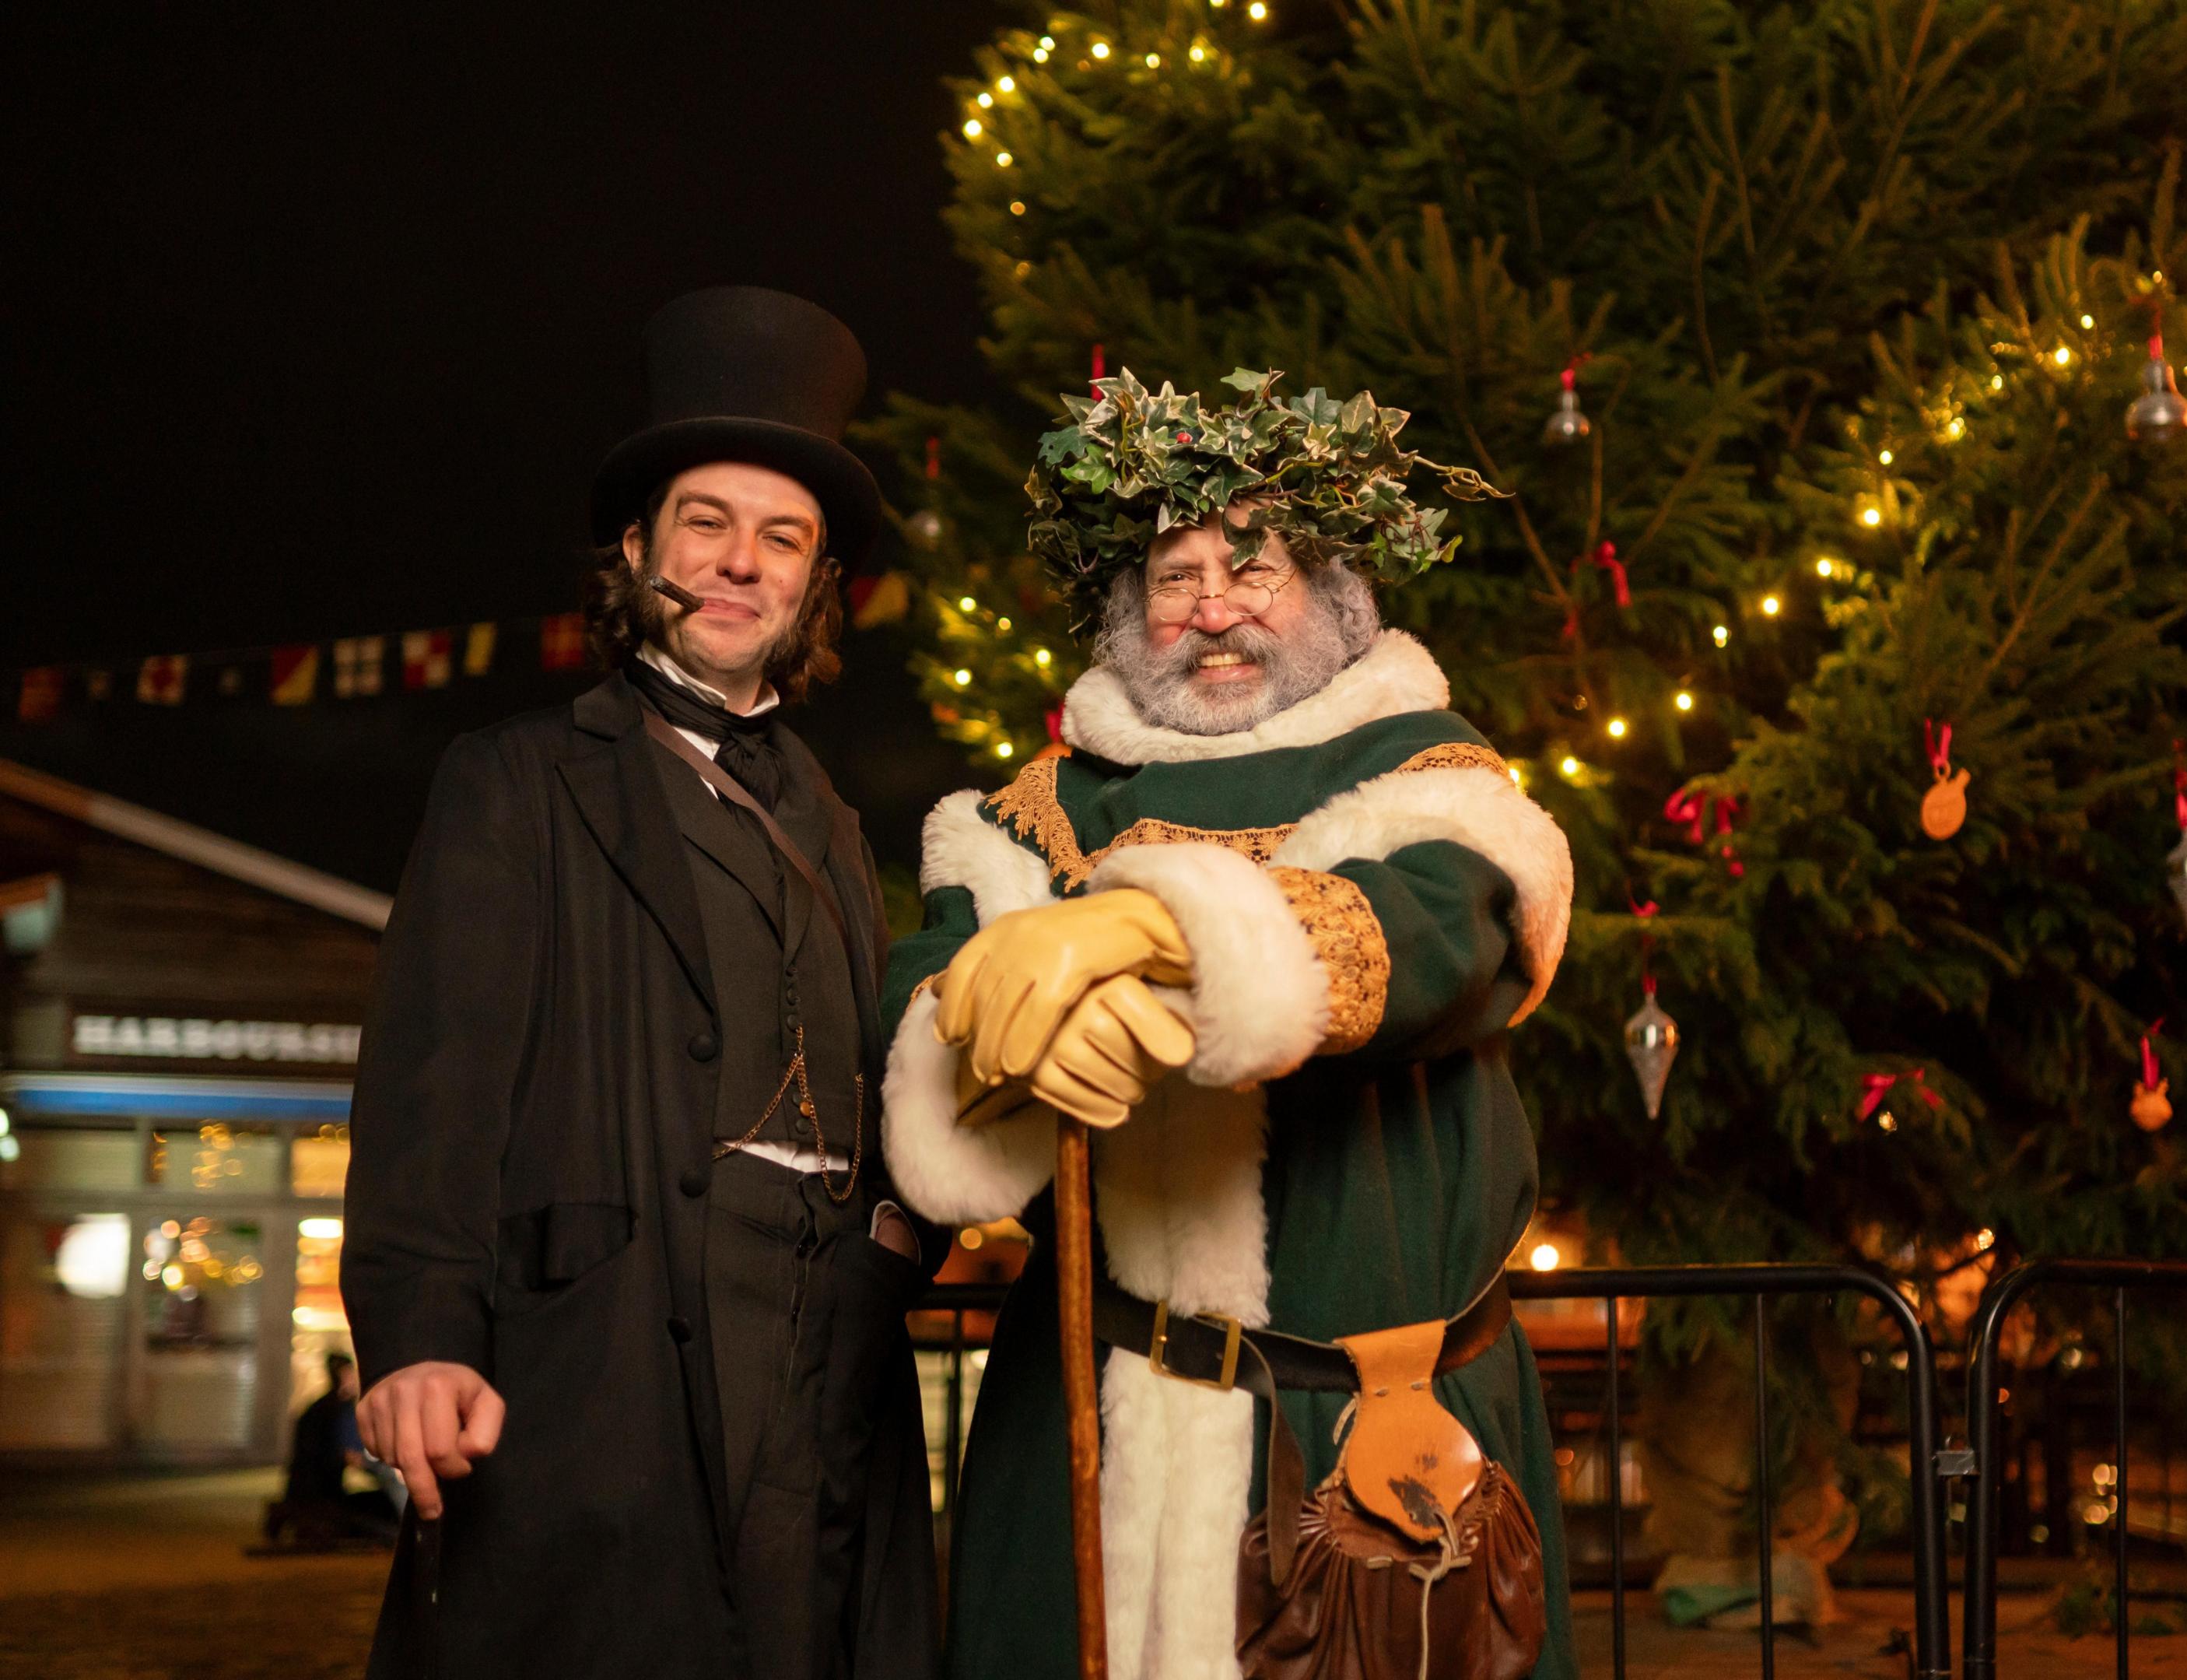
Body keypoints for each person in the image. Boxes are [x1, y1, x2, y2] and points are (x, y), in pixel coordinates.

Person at [880, 370, 1577, 1680]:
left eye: (1254, 567)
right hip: (1092, 1422)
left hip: (1374, 1439)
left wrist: (1156, 929)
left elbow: (1437, 929)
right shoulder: (1028, 814)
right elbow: (929, 992)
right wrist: (982, 1043)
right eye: (1173, 573)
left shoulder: (1435, 774)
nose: (1212, 605)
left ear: (1337, 597)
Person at [341, 287, 943, 1680]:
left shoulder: (840, 821)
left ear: (814, 584)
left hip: (821, 1384)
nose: (741, 562)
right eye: (705, 523)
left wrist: (900, 1241)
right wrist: (422, 1332)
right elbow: (436, 1084)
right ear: (638, 548)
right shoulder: (516, 778)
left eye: (780, 537)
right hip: (598, 1371)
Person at [275, 1353, 398, 1542]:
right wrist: (379, 1468)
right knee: (383, 1509)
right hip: (324, 1495)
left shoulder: (317, 1407)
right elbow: (351, 1455)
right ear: (343, 1375)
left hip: (304, 1490)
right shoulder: (339, 1408)